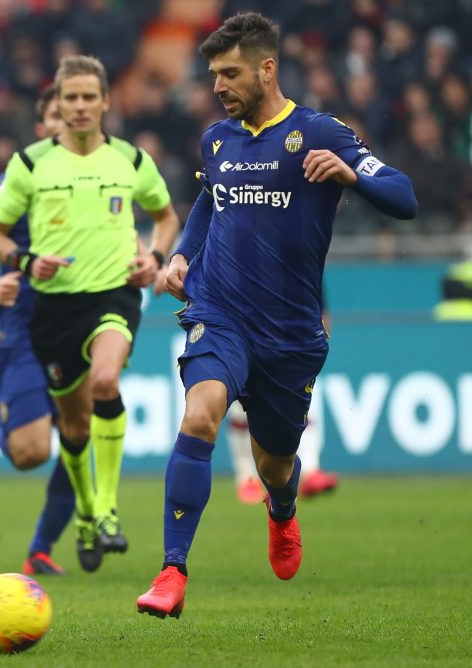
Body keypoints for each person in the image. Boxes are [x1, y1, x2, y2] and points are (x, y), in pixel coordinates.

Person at [136, 12, 416, 619]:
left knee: (275, 462)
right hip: (220, 312)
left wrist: (351, 175)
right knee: (201, 413)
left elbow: (404, 196)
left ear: (267, 69)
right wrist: (181, 255)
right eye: (214, 75)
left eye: (230, 74)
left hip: (289, 333)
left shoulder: (321, 132)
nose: (218, 86)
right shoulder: (217, 140)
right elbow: (209, 202)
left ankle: (282, 509)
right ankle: (172, 570)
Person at [0, 55, 180, 572]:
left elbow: (166, 216)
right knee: (72, 428)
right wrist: (27, 262)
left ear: (105, 101)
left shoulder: (131, 160)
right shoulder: (30, 164)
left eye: (89, 96)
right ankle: (88, 514)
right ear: (59, 102)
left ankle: (108, 509)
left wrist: (155, 257)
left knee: (105, 382)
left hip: (114, 295)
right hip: (53, 308)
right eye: (71, 97)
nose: (80, 106)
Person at [0, 83, 75, 576]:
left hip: (84, 321)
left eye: (75, 111)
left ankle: (44, 546)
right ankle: (1, 421)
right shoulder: (18, 175)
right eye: (57, 115)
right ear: (41, 126)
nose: (67, 121)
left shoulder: (105, 171)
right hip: (26, 322)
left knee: (82, 435)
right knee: (32, 454)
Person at [229, 300, 339, 504]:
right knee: (242, 403)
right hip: (245, 327)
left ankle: (310, 471)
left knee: (301, 399)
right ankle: (247, 479)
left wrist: (319, 320)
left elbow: (315, 292)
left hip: (288, 330)